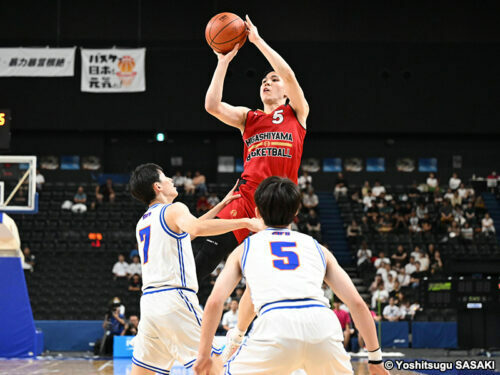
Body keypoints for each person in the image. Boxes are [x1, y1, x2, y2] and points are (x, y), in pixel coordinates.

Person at [194, 176, 388, 375]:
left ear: (257, 212)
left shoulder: (245, 248)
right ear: (296, 212)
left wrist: (203, 355)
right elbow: (357, 304)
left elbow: (215, 301)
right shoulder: (317, 247)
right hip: (322, 326)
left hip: (275, 327)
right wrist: (375, 359)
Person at [198, 15, 309, 283]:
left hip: (279, 200)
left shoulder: (297, 113)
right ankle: (178, 301)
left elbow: (289, 75)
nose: (267, 82)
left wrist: (257, 41)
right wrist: (222, 62)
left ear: (285, 91)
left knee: (274, 271)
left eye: (273, 80)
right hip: (247, 195)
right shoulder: (249, 118)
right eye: (263, 81)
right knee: (207, 256)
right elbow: (212, 105)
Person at [128, 163, 263, 375]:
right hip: (175, 300)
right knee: (213, 365)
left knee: (143, 372)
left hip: (150, 304)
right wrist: (245, 221)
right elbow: (197, 228)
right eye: (166, 177)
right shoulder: (175, 209)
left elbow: (188, 234)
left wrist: (222, 205)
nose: (171, 180)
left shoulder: (144, 221)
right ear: (158, 187)